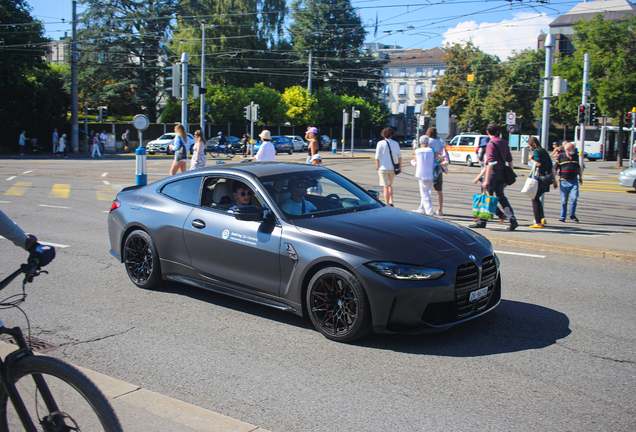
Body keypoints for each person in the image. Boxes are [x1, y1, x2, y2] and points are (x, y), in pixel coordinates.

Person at [470, 123, 519, 231]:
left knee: (487, 197)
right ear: (497, 131)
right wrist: (509, 174)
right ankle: (512, 219)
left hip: (493, 173)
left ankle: (482, 222)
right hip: (502, 172)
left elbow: (490, 163)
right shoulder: (504, 142)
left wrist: (486, 180)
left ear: (487, 132)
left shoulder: (491, 144)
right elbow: (510, 160)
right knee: (501, 197)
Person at [411, 136, 444, 215]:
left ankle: (429, 211)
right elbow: (441, 158)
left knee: (424, 193)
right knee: (428, 192)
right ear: (427, 142)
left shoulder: (417, 151)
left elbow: (415, 162)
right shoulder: (432, 150)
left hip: (421, 174)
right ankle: (421, 208)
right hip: (431, 174)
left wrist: (412, 161)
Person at [527, 137, 555, 228]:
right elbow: (551, 165)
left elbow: (538, 164)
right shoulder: (544, 151)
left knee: (534, 198)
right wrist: (554, 179)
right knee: (537, 197)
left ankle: (537, 222)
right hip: (546, 178)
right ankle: (542, 217)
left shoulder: (536, 152)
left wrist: (531, 159)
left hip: (539, 178)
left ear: (531, 145)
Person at [554, 141, 583, 223]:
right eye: (573, 148)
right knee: (564, 201)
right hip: (564, 182)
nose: (574, 150)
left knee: (574, 198)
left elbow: (578, 167)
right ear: (567, 149)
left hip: (574, 181)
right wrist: (554, 180)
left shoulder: (575, 156)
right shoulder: (560, 156)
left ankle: (572, 215)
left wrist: (580, 177)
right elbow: (555, 169)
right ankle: (562, 216)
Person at [374, 127, 402, 207]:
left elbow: (377, 157)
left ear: (383, 134)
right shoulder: (395, 143)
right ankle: (391, 201)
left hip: (383, 168)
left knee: (385, 186)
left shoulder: (380, 143)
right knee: (390, 185)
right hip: (392, 168)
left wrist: (378, 167)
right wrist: (399, 168)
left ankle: (387, 203)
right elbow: (399, 157)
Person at [424, 127, 448, 215]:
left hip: (430, 168)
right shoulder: (440, 142)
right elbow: (443, 153)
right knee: (439, 190)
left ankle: (427, 208)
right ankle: (440, 209)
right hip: (438, 168)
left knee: (427, 190)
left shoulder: (428, 142)